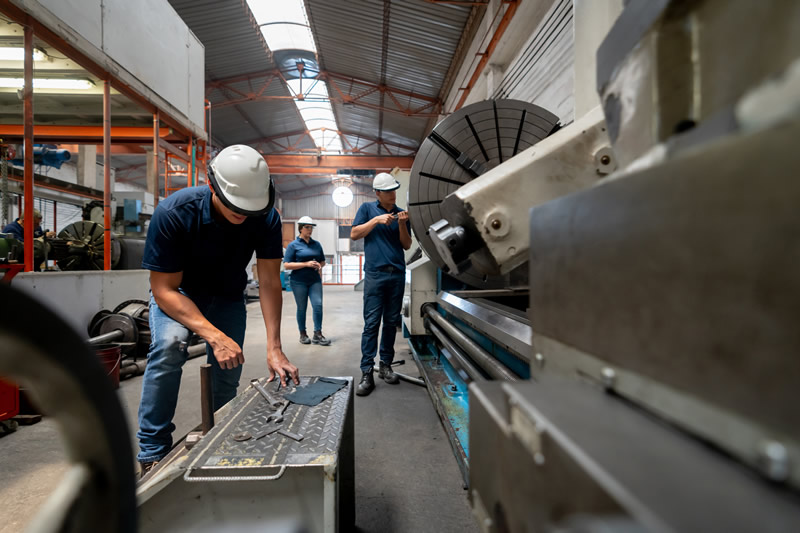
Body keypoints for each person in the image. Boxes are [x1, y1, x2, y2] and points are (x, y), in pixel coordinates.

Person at [136, 144, 299, 477]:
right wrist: (213, 335)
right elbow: (163, 289)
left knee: (227, 372)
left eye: (250, 209)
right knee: (169, 348)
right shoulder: (174, 212)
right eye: (234, 206)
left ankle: (220, 439)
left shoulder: (265, 215)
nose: (243, 214)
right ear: (213, 187)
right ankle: (152, 451)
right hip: (178, 293)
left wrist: (275, 348)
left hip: (226, 295)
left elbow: (269, 282)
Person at [350, 172, 411, 396]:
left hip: (396, 274)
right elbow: (355, 234)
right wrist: (376, 220)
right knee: (371, 323)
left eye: (394, 190)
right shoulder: (367, 210)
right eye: (388, 191)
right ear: (377, 193)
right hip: (375, 275)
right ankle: (367, 371)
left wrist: (403, 224)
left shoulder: (401, 213)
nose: (393, 194)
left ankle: (385, 365)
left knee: (391, 322)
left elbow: (406, 245)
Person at [283, 216, 331, 346]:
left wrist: (319, 265)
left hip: (314, 280)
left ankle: (318, 334)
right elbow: (287, 265)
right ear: (300, 228)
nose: (310, 230)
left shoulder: (317, 244)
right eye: (307, 227)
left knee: (318, 305)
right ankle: (303, 334)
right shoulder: (293, 245)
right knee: (302, 308)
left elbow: (322, 261)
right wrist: (306, 264)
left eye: (311, 228)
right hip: (298, 281)